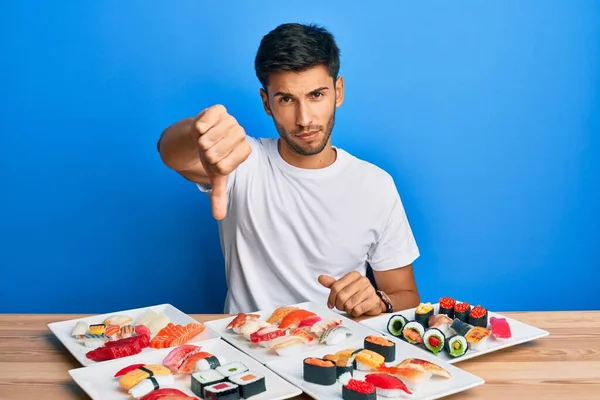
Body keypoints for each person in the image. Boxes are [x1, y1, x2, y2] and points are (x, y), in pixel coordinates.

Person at [157, 22, 421, 317]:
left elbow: (407, 295)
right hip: (247, 351)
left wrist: (379, 300)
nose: (304, 119)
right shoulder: (242, 161)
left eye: (317, 95)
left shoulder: (376, 185)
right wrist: (197, 132)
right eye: (286, 99)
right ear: (267, 104)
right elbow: (172, 154)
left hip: (339, 352)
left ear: (339, 91)